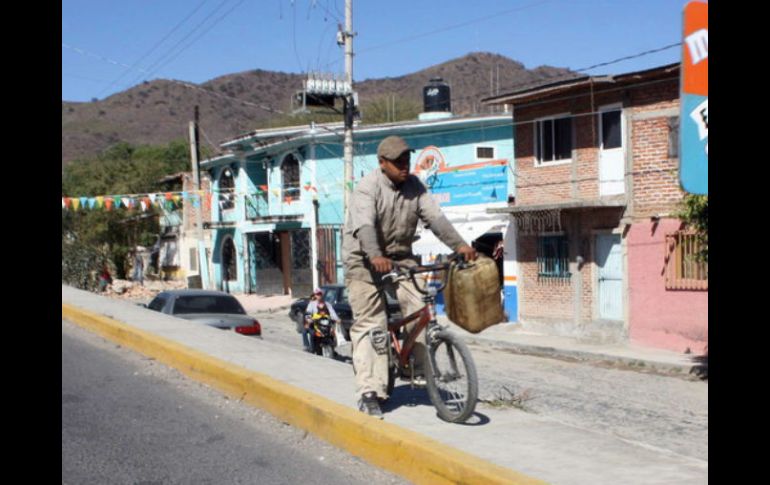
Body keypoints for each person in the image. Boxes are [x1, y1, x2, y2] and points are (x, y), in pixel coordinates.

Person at [342, 135, 477, 418]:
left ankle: (413, 365)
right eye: (397, 162)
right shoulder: (367, 189)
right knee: (372, 324)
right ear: (382, 163)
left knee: (419, 308)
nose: (405, 166)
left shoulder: (415, 186)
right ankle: (370, 390)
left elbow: (437, 220)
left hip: (401, 258)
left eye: (406, 160)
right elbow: (365, 227)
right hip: (364, 262)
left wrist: (461, 245)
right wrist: (375, 255)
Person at [303, 288, 340, 353]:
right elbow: (308, 313)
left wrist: (337, 319)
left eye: (320, 294)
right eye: (317, 294)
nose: (319, 296)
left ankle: (332, 349)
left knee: (332, 333)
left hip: (326, 323)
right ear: (315, 295)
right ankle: (309, 347)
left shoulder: (327, 304)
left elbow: (332, 313)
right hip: (315, 324)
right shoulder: (312, 304)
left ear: (322, 295)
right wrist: (309, 320)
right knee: (310, 332)